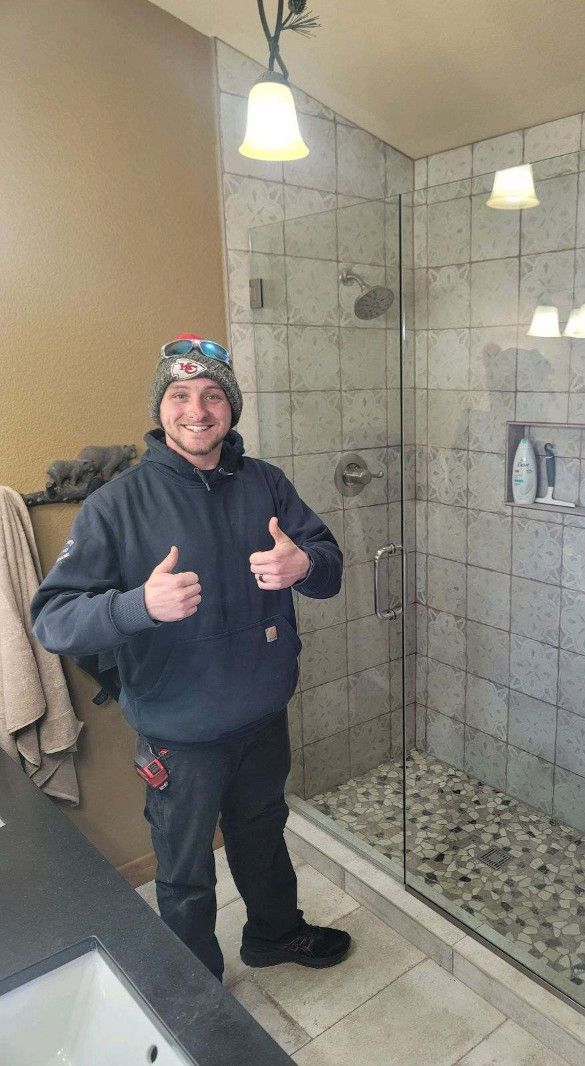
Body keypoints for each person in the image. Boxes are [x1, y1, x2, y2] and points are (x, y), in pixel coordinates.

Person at [31, 334, 349, 980]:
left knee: (263, 841)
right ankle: (197, 991)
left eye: (211, 395)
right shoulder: (115, 506)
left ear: (229, 407)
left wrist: (304, 564)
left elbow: (332, 569)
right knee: (184, 875)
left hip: (262, 721)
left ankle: (275, 934)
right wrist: (137, 606)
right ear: (162, 408)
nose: (196, 410)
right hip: (180, 739)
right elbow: (52, 618)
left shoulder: (268, 485)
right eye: (179, 396)